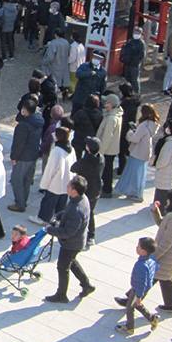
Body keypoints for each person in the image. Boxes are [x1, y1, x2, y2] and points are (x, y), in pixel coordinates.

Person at [44, 175, 95, 303]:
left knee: (63, 267)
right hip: (76, 242)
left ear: (74, 191)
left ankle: (62, 295)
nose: (66, 187)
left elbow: (68, 232)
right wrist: (58, 215)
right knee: (71, 262)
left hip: (71, 244)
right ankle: (87, 285)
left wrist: (49, 230)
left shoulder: (76, 209)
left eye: (69, 186)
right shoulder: (81, 199)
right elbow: (67, 211)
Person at [114, 237, 160, 335]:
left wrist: (138, 296)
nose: (136, 247)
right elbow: (157, 267)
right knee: (135, 305)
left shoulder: (141, 266)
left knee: (130, 308)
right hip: (144, 288)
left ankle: (129, 328)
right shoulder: (151, 259)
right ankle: (152, 318)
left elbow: (141, 283)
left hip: (137, 290)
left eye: (138, 246)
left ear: (143, 252)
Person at [6, 99, 45, 213]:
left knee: (16, 180)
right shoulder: (39, 121)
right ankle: (24, 200)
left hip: (23, 156)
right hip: (33, 154)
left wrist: (14, 157)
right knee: (27, 180)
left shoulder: (23, 125)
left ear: (25, 110)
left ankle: (20, 203)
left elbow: (19, 143)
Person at [115, 104, 160, 201]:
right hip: (145, 151)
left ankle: (135, 193)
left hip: (138, 151)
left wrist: (130, 132)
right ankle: (137, 192)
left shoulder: (144, 125)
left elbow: (135, 138)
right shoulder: (153, 123)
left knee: (133, 173)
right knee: (140, 174)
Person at [32, 126, 76, 226]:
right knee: (62, 202)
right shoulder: (71, 149)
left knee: (49, 201)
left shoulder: (56, 151)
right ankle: (59, 220)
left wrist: (44, 184)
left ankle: (43, 218)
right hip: (67, 180)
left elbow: (50, 169)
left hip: (56, 181)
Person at [73, 137, 103, 248]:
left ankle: (89, 236)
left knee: (86, 212)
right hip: (96, 189)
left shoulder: (85, 161)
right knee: (91, 212)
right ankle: (91, 235)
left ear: (88, 148)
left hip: (86, 190)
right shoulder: (101, 159)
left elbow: (73, 168)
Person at [96, 93, 123, 198]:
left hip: (107, 150)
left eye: (107, 103)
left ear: (111, 105)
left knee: (107, 170)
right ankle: (107, 188)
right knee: (108, 169)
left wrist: (101, 152)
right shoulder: (115, 115)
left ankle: (107, 190)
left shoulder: (111, 119)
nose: (104, 105)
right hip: (111, 148)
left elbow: (107, 137)